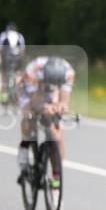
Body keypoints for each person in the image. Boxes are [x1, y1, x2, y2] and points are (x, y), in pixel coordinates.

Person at [16, 56, 75, 188]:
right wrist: (43, 107)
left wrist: (60, 107)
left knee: (56, 132)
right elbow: (34, 101)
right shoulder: (33, 70)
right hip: (26, 89)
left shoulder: (69, 73)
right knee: (30, 115)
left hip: (50, 91)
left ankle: (56, 176)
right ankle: (25, 147)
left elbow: (64, 101)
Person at [0, 22, 26, 104]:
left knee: (4, 76)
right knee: (17, 76)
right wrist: (22, 61)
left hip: (7, 59)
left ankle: (4, 98)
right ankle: (17, 97)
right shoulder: (20, 36)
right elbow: (23, 51)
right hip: (17, 60)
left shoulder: (3, 35)